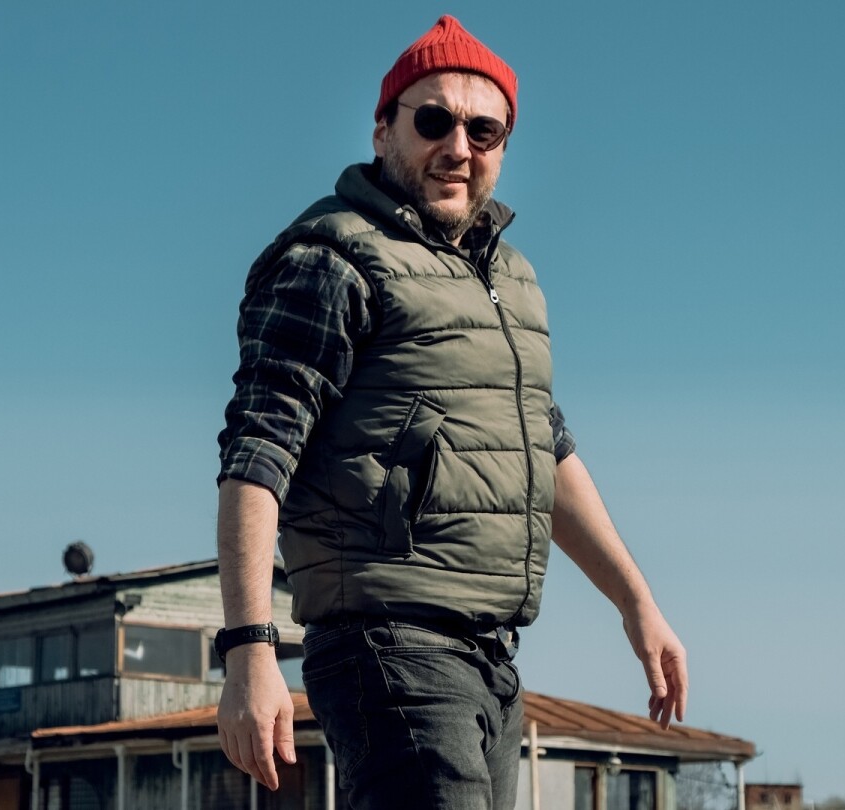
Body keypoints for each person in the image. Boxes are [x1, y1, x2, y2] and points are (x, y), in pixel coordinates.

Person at [214, 15, 688, 808]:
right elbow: (256, 454)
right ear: (383, 129)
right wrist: (248, 650)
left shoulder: (511, 279)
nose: (458, 147)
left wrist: (637, 605)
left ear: (504, 145)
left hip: (492, 654)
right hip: (387, 642)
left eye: (483, 130)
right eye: (433, 121)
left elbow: (544, 454)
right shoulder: (331, 258)